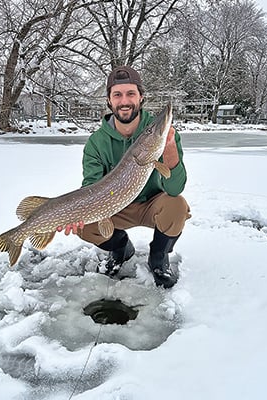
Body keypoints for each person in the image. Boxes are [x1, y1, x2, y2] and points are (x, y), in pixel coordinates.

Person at [60, 66, 190, 288]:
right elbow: (91, 186)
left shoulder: (163, 135)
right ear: (109, 100)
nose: (124, 101)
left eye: (131, 93)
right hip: (114, 206)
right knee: (85, 225)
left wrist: (168, 150)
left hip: (152, 204)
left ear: (141, 97)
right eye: (117, 95)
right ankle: (121, 248)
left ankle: (158, 258)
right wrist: (77, 212)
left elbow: (175, 188)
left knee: (177, 206)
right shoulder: (97, 142)